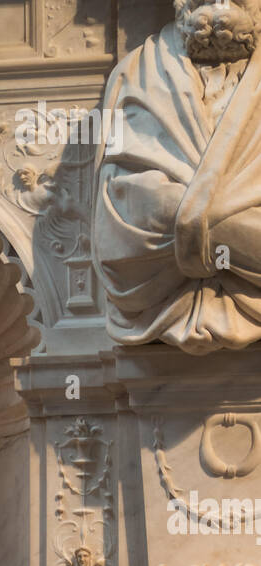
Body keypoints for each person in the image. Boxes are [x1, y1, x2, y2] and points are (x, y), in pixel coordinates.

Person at [94, 0, 261, 352]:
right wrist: (238, 233)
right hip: (151, 326)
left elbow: (157, 216)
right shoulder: (137, 73)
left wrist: (182, 221)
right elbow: (123, 228)